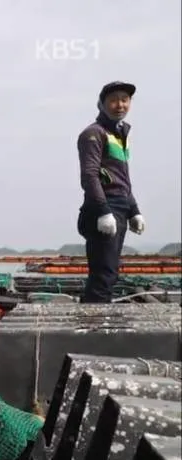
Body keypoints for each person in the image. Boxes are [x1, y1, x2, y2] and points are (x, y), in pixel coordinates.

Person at [76, 81, 145, 303]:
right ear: (102, 104)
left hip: (120, 206)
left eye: (125, 99)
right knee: (103, 275)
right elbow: (89, 175)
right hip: (103, 208)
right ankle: (94, 330)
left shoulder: (119, 135)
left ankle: (96, 322)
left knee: (110, 272)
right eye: (114, 100)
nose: (120, 105)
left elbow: (122, 179)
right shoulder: (93, 134)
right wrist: (104, 210)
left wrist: (134, 210)